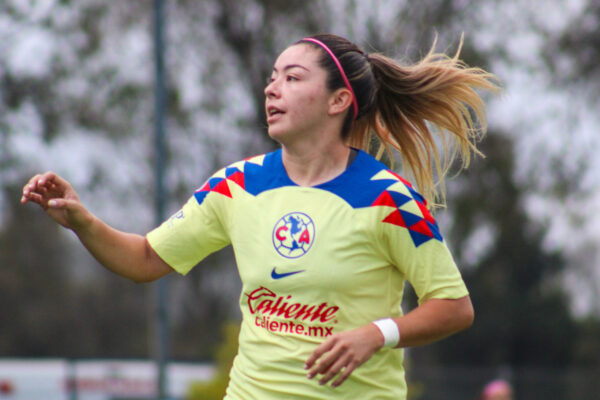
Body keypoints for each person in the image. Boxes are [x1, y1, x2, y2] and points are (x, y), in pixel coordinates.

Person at [22, 33, 498, 399]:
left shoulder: (390, 201)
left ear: (339, 101)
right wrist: (83, 221)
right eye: (272, 77)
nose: (272, 89)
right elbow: (145, 258)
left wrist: (379, 334)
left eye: (292, 78)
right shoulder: (236, 185)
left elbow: (454, 307)